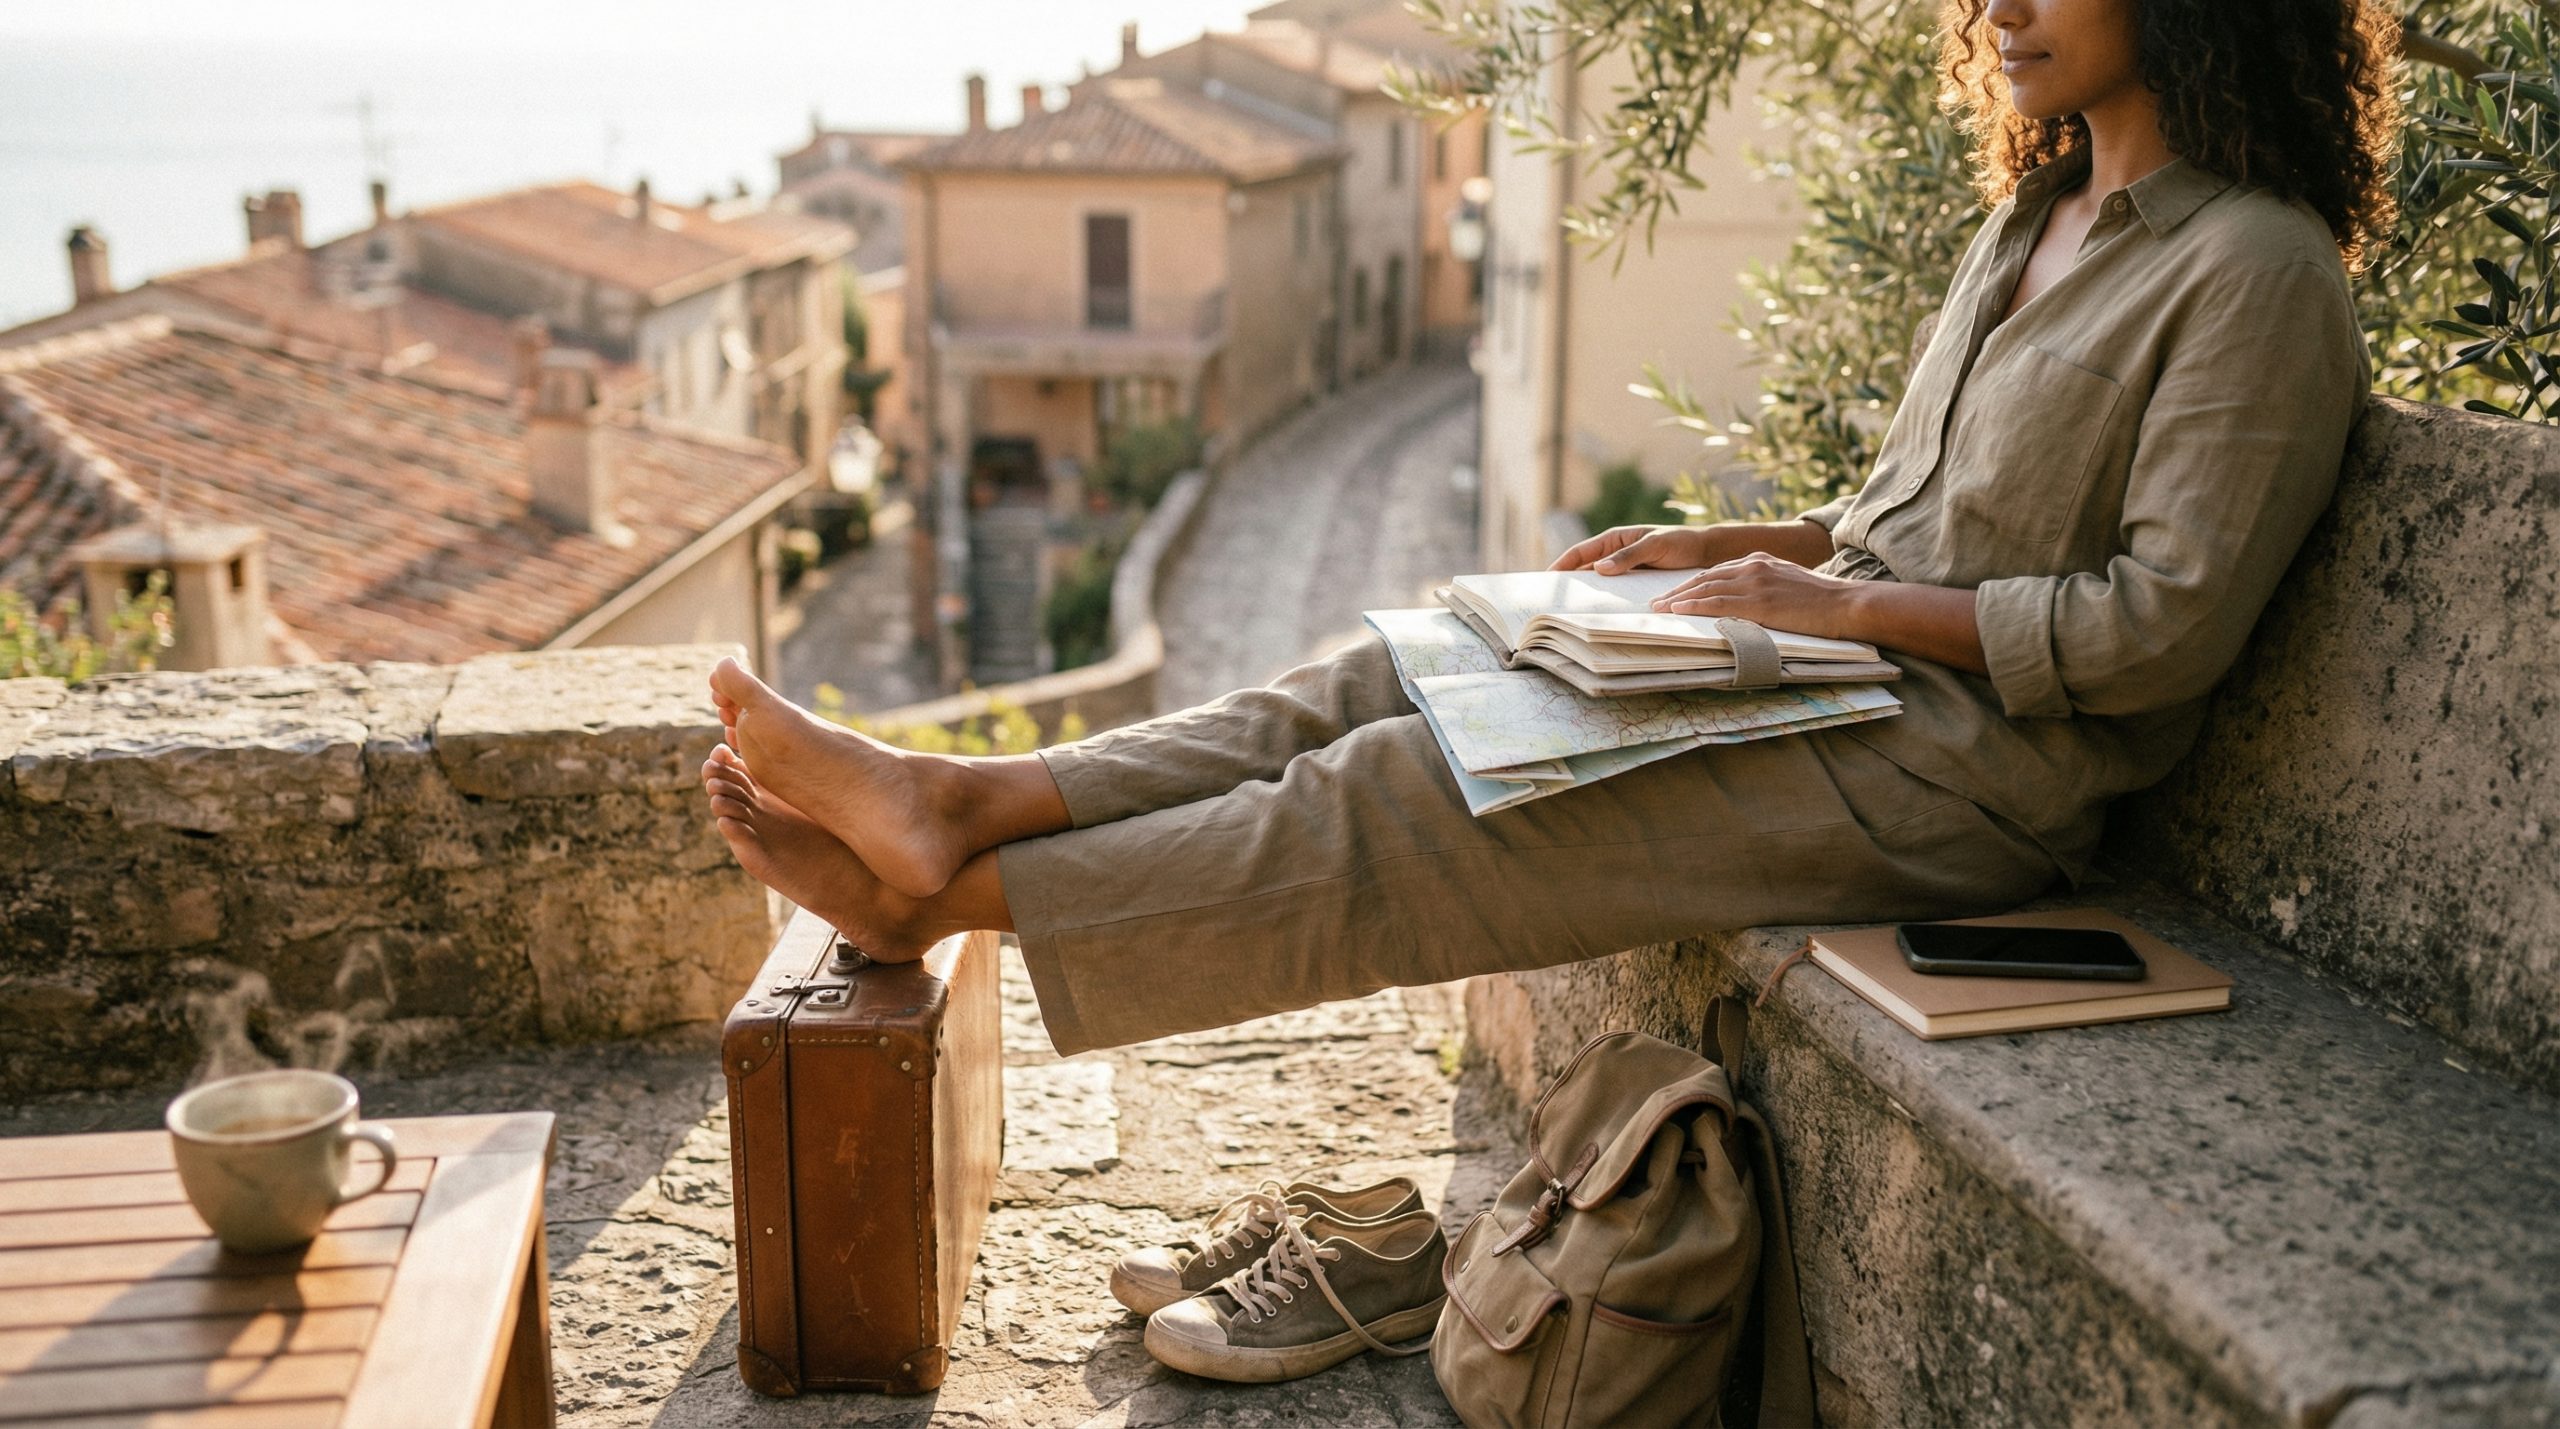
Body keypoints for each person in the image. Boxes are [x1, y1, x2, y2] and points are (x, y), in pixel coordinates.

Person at [703, 0, 2396, 1059]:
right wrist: (1745, 550)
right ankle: (951, 799)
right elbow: (1924, 518)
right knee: (1391, 669)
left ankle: (947, 902)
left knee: (1407, 792)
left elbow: (2154, 626)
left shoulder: (2256, 271)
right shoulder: (2034, 210)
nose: (2001, 4)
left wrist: (1827, 606)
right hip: (1833, 674)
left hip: (1962, 776)